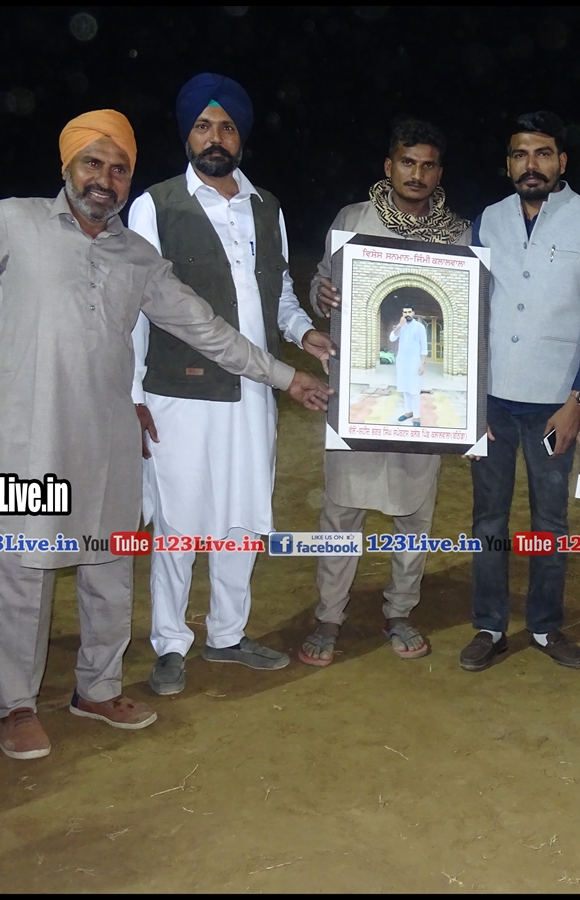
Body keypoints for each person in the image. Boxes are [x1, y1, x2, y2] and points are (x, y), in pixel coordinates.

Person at [0, 110, 329, 760]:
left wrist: (284, 377)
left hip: (108, 437)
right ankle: (16, 705)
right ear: (68, 166)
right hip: (27, 437)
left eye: (119, 168)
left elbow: (205, 328)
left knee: (107, 567)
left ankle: (97, 689)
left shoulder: (138, 257)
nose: (104, 179)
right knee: (21, 569)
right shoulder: (15, 222)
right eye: (93, 164)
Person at [129, 74, 336, 696]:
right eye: (202, 126)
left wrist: (304, 333)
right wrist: (132, 395)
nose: (214, 138)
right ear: (186, 135)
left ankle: (227, 634)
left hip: (253, 394)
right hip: (177, 394)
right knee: (179, 519)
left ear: (241, 136)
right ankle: (170, 643)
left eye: (225, 127)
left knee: (243, 514)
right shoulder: (156, 205)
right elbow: (135, 310)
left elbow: (277, 294)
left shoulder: (264, 206)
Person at [305, 118, 470, 665]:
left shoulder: (458, 236)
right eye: (407, 162)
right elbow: (321, 281)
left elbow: (468, 317)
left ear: (439, 173)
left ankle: (400, 610)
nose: (416, 174)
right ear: (389, 166)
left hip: (421, 393)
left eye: (428, 165)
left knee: (414, 512)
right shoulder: (353, 220)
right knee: (341, 509)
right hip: (356, 392)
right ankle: (329, 616)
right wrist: (322, 292)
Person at [461, 110, 580, 672]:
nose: (532, 165)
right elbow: (468, 306)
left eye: (543, 154)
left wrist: (578, 402)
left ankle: (547, 626)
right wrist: (470, 399)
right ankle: (489, 624)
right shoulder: (489, 220)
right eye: (521, 155)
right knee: (488, 518)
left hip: (556, 405)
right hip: (493, 403)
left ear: (562, 161)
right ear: (508, 164)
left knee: (550, 521)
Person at [390, 305, 428, 425]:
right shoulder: (401, 326)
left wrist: (422, 363)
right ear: (402, 314)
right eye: (405, 312)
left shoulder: (420, 327)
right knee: (405, 388)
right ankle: (408, 411)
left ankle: (416, 416)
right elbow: (392, 338)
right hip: (402, 363)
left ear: (413, 313)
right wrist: (400, 326)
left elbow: (424, 346)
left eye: (409, 312)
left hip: (415, 363)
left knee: (414, 390)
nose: (407, 314)